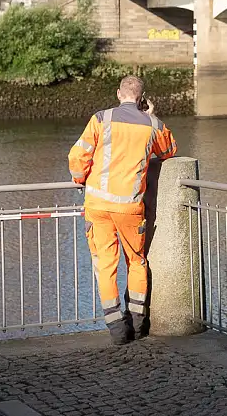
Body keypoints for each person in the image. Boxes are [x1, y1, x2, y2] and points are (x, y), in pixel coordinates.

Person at [68, 75, 177, 345]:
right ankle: (138, 323)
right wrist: (152, 116)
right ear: (142, 98)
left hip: (98, 206)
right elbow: (170, 151)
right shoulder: (152, 124)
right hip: (130, 207)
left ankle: (117, 329)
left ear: (119, 94)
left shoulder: (100, 119)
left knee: (105, 266)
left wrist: (79, 179)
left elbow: (77, 156)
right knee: (137, 261)